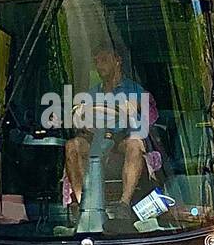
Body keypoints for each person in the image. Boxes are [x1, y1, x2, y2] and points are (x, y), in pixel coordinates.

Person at [63, 46, 158, 227]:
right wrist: (80, 114)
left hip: (122, 138)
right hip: (96, 139)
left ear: (117, 60)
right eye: (96, 62)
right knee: (72, 146)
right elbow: (79, 116)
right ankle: (84, 204)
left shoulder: (133, 89)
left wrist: (128, 108)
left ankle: (124, 204)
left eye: (104, 60)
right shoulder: (92, 92)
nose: (99, 66)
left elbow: (145, 111)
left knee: (135, 144)